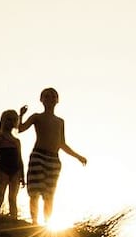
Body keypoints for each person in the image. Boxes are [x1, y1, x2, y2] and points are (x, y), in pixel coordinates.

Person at [17, 88, 88, 225]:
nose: (50, 99)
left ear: (57, 100)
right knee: (35, 191)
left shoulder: (60, 121)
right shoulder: (36, 117)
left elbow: (62, 143)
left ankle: (47, 223)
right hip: (38, 155)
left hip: (54, 159)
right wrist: (21, 115)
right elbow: (20, 129)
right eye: (46, 96)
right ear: (41, 99)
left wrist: (78, 156)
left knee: (50, 194)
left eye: (53, 96)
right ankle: (34, 222)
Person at [0, 110, 26, 218]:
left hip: (16, 171)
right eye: (9, 119)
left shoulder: (16, 141)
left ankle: (14, 221)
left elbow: (20, 159)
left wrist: (22, 176)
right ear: (3, 120)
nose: (11, 122)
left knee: (13, 198)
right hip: (2, 169)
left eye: (14, 119)